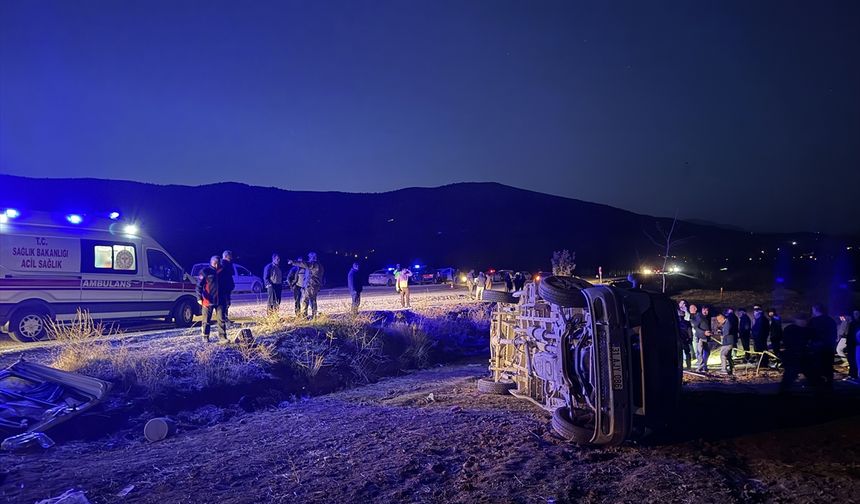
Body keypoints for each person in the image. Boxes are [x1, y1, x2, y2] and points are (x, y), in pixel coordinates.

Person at [779, 314, 815, 393]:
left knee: (810, 374)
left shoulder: (805, 330)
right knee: (790, 375)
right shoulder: (791, 329)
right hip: (795, 356)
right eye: (803, 321)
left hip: (801, 356)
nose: (804, 322)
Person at [196, 255, 227, 342]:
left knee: (221, 320)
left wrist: (227, 297)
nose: (217, 266)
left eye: (218, 263)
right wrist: (199, 298)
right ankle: (205, 336)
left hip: (220, 300)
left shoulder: (223, 272)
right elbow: (199, 286)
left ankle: (223, 337)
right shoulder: (205, 272)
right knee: (206, 320)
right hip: (207, 300)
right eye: (215, 263)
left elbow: (227, 285)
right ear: (211, 263)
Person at [289, 252, 325, 319]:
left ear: (312, 257)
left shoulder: (313, 264)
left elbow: (304, 264)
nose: (309, 259)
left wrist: (293, 262)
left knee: (305, 301)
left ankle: (304, 317)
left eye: (309, 257)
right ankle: (314, 316)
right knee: (313, 301)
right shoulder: (320, 266)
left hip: (309, 286)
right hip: (315, 286)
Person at [809, 304, 837, 387]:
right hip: (829, 347)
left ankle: (818, 386)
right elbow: (834, 334)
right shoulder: (831, 320)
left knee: (817, 367)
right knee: (828, 367)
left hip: (817, 348)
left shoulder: (813, 321)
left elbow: (809, 333)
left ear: (815, 310)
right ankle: (829, 385)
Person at [693, 306, 712, 372]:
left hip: (706, 338)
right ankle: (700, 367)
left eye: (707, 310)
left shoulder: (706, 317)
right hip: (700, 337)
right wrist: (704, 332)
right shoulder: (699, 316)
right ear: (702, 310)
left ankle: (704, 366)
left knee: (707, 352)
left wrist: (710, 332)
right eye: (704, 310)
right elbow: (696, 327)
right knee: (700, 352)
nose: (706, 312)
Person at [220, 250, 236, 322]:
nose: (231, 257)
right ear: (226, 256)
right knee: (225, 303)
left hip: (227, 287)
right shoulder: (224, 264)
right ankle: (223, 318)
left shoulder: (227, 264)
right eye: (230, 256)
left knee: (227, 303)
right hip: (224, 287)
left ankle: (225, 318)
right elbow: (229, 273)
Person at [677, 300, 693, 370]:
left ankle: (680, 365)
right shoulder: (687, 322)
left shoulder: (677, 323)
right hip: (685, 339)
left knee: (680, 353)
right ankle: (688, 366)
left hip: (680, 339)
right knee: (687, 353)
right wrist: (690, 338)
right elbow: (689, 331)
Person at [846, 310, 860, 381]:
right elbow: (850, 334)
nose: (855, 315)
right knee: (852, 360)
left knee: (856, 360)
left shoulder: (856, 323)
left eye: (857, 313)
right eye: (854, 313)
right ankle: (852, 374)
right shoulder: (852, 323)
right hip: (852, 345)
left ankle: (855, 374)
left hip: (857, 345)